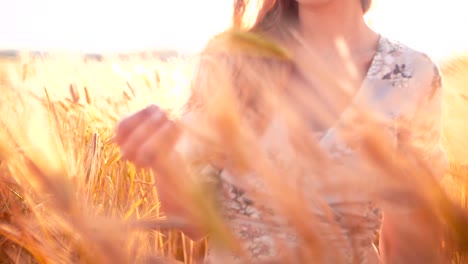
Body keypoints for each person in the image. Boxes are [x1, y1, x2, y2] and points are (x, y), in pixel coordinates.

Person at [114, 0, 447, 263]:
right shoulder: (233, 60)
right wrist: (160, 157)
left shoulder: (412, 76)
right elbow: (193, 222)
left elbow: (410, 243)